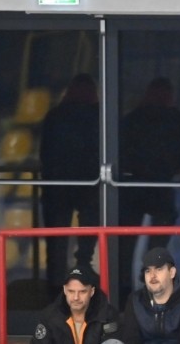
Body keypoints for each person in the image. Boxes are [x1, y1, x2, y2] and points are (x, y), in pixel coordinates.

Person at [117, 78, 180, 301]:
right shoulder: (176, 120)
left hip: (134, 186)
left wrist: (140, 170)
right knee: (156, 249)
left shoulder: (132, 119)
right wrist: (162, 170)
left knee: (126, 245)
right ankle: (153, 293)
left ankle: (124, 293)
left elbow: (122, 152)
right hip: (159, 185)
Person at [40, 73, 102, 297]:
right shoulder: (99, 116)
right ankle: (82, 273)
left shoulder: (55, 116)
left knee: (57, 243)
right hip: (88, 185)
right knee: (86, 237)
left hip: (59, 186)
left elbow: (45, 154)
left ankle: (55, 287)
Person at [118, 247, 180, 344]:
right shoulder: (135, 301)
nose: (152, 275)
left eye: (159, 269)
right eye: (148, 271)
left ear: (172, 273)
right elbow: (130, 340)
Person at [34, 264, 121, 344]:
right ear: (64, 290)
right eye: (71, 291)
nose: (76, 297)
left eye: (82, 292)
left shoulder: (108, 315)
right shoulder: (49, 316)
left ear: (92, 292)